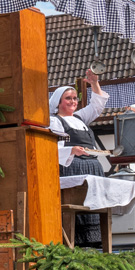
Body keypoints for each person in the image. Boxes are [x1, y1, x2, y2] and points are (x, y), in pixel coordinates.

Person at [48, 70, 110, 248]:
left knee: (93, 207)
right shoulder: (55, 121)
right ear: (58, 102)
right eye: (69, 98)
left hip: (93, 167)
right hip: (72, 168)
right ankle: (74, 243)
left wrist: (94, 84)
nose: (73, 101)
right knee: (76, 208)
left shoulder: (80, 118)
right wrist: (72, 150)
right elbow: (53, 149)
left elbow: (97, 106)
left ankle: (96, 242)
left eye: (75, 98)